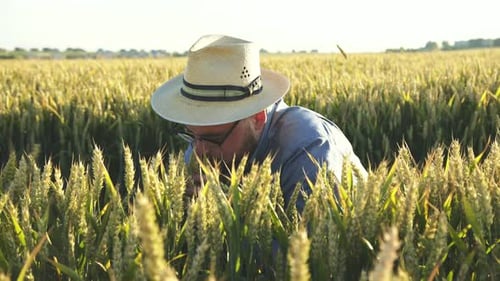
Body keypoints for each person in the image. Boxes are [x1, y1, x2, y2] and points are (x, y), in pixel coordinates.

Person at [151, 34, 367, 211]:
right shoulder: (203, 145)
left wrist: (229, 216)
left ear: (257, 118)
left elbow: (311, 251)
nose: (198, 153)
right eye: (191, 136)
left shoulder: (310, 149)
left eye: (213, 138)